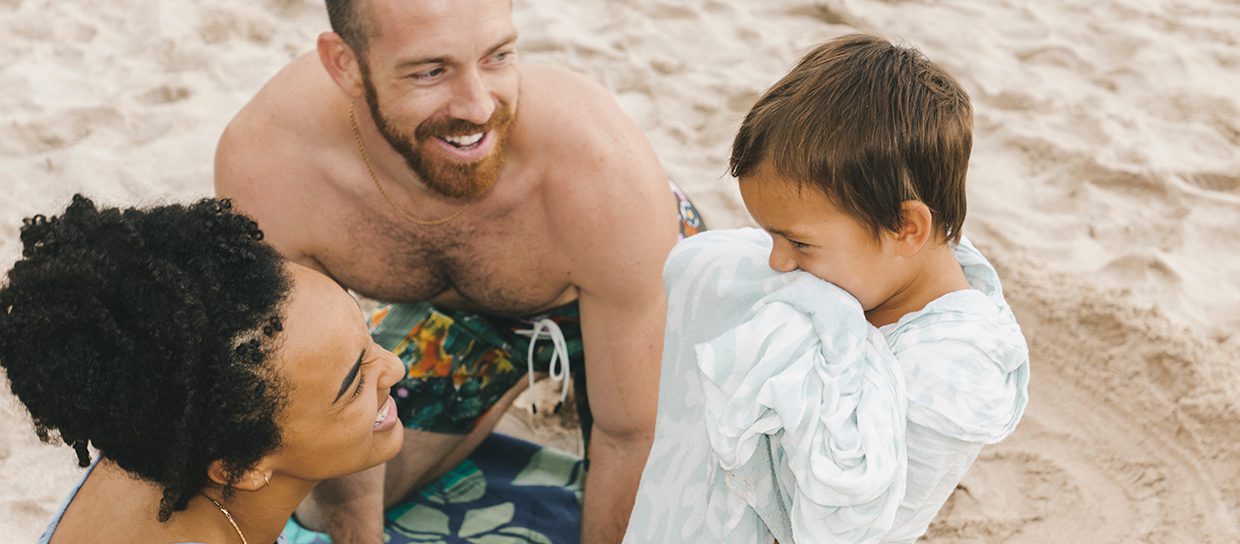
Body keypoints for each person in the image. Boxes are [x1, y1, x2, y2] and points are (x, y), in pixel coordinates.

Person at [213, 0, 704, 541]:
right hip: (463, 318)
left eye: (497, 57)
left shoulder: (598, 170)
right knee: (314, 493)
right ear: (345, 65)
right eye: (431, 71)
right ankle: (506, 382)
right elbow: (327, 387)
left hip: (629, 301)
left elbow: (631, 435)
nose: (476, 106)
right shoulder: (271, 166)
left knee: (688, 499)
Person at [626, 35, 1029, 543]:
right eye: (768, 234)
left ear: (907, 229)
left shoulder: (957, 372)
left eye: (797, 241)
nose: (777, 261)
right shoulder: (868, 271)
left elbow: (846, 520)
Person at [0, 195, 406, 544]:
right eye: (354, 384)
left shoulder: (160, 442)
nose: (396, 368)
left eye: (366, 338)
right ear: (240, 468)